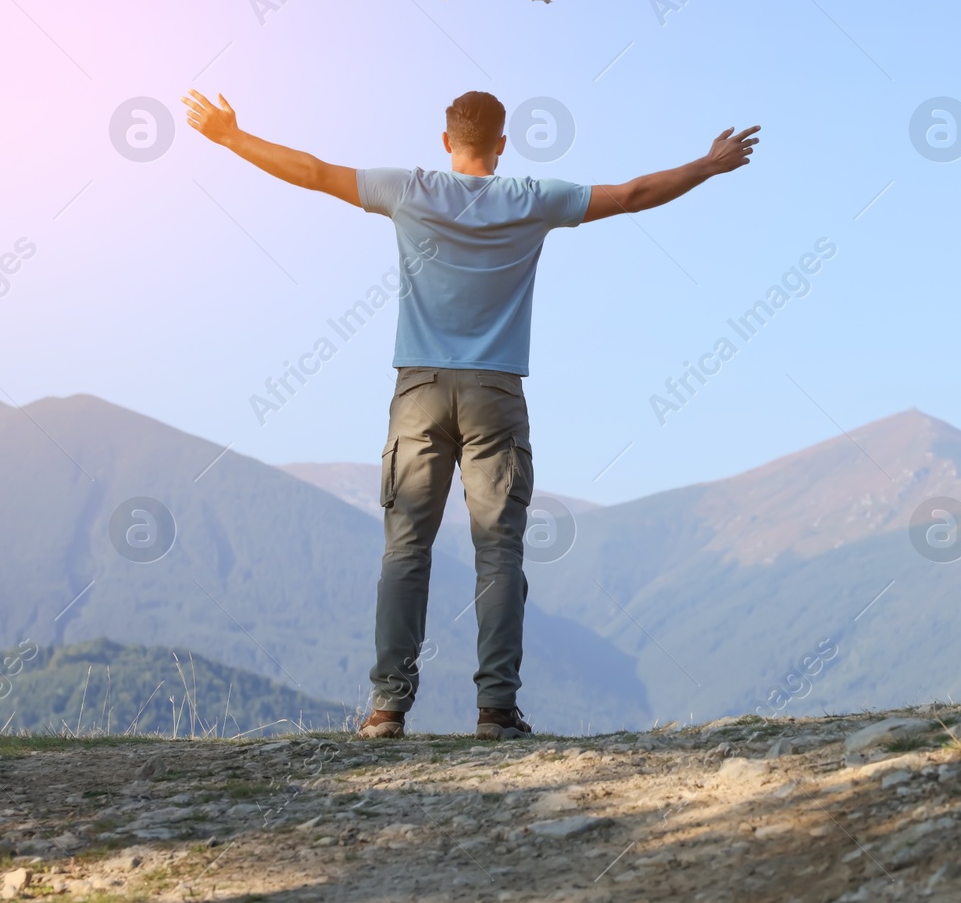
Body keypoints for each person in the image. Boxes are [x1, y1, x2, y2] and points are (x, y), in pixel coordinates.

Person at [181, 89, 760, 739]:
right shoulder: (531, 199)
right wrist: (706, 165)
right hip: (495, 393)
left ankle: (386, 710)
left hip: (419, 392)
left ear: (445, 140)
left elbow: (313, 172)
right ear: (503, 143)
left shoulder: (408, 189)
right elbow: (630, 194)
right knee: (500, 552)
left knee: (405, 551)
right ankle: (495, 711)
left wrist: (232, 136)